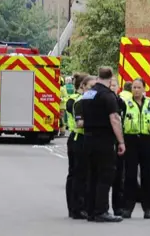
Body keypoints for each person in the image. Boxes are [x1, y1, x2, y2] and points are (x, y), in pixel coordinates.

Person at [81, 67, 126, 222]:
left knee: (92, 175)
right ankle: (101, 211)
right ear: (111, 77)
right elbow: (114, 118)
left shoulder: (88, 94)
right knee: (105, 175)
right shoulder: (108, 95)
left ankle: (91, 210)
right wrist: (121, 141)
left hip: (87, 139)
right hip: (103, 140)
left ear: (99, 76)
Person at [121, 78, 150, 219]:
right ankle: (128, 207)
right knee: (130, 175)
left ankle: (148, 208)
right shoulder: (125, 103)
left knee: (148, 175)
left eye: (138, 87)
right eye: (134, 87)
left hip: (147, 140)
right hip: (131, 140)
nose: (136, 90)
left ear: (144, 89)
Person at [71, 75, 97, 219]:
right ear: (83, 87)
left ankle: (88, 206)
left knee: (90, 175)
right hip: (80, 139)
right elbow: (79, 123)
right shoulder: (80, 102)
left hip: (92, 139)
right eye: (89, 87)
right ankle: (78, 208)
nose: (92, 90)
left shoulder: (95, 102)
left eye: (94, 87)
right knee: (80, 176)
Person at [65, 72, 88, 218]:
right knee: (77, 175)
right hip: (78, 136)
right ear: (82, 86)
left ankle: (74, 208)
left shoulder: (73, 99)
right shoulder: (76, 101)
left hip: (76, 137)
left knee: (75, 175)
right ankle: (76, 208)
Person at [110, 77, 127, 216]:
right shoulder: (104, 100)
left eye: (114, 85)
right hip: (106, 142)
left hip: (118, 142)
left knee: (119, 177)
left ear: (118, 87)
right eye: (110, 85)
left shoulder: (121, 103)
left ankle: (118, 207)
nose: (112, 87)